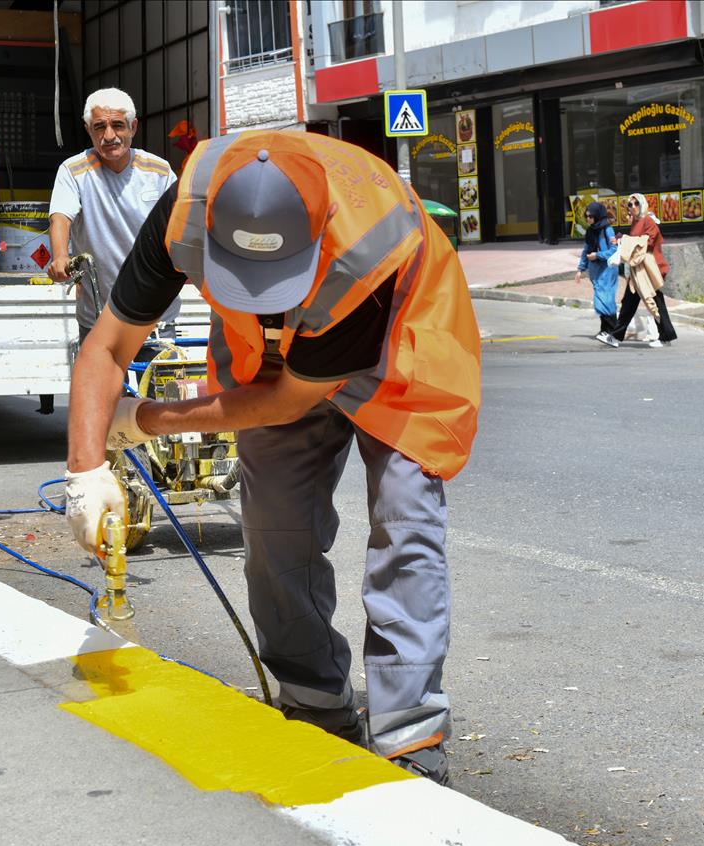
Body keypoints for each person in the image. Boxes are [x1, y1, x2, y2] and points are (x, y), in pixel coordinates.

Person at [62, 131, 481, 785]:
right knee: (277, 524)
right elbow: (107, 346)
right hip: (271, 353)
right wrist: (84, 471)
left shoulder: (367, 246)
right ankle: (313, 702)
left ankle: (409, 732)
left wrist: (145, 418)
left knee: (405, 519)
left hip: (399, 330)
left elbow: (287, 401)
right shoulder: (184, 211)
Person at [47, 88, 179, 344]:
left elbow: (184, 226)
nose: (109, 136)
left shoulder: (159, 172)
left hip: (156, 316)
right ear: (88, 129)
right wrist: (61, 256)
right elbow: (60, 217)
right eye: (99, 127)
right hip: (97, 316)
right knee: (97, 386)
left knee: (157, 385)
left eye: (118, 125)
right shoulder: (73, 171)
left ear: (133, 127)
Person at [603, 193, 677, 348]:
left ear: (642, 204)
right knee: (628, 304)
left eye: (636, 203)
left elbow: (648, 242)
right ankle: (615, 337)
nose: (633, 207)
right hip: (638, 270)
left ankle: (665, 336)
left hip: (650, 270)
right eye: (630, 204)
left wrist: (624, 240)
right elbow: (636, 244)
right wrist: (622, 241)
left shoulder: (647, 220)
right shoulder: (637, 222)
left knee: (655, 302)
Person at [573, 200, 618, 343]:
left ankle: (613, 330)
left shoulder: (607, 230)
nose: (588, 219)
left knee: (606, 300)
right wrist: (580, 269)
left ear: (598, 216)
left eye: (590, 216)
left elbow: (613, 250)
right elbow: (586, 250)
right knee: (601, 299)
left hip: (607, 271)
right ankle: (605, 330)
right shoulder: (590, 231)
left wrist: (597, 255)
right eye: (587, 216)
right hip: (596, 272)